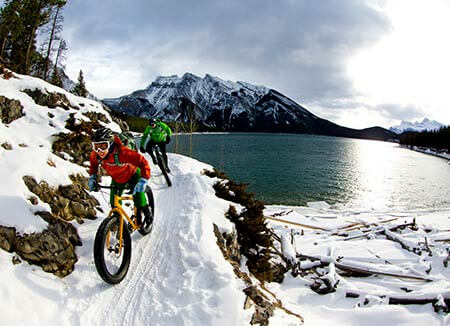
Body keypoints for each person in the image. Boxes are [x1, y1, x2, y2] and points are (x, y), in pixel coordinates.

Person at [88, 127, 152, 227]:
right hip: (117, 178)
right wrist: (92, 176)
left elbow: (143, 162)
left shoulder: (123, 152)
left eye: (103, 146)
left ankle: (148, 214)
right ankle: (119, 224)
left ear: (111, 144)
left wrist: (143, 179)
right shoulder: (96, 155)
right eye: (96, 146)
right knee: (114, 204)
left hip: (133, 174)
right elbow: (93, 164)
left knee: (139, 199)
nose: (99, 151)